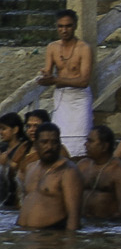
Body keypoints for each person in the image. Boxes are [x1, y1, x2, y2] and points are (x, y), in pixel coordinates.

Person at [35, 9, 93, 157]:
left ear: (75, 26)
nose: (64, 30)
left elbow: (84, 81)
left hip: (79, 98)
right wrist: (45, 77)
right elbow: (48, 72)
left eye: (68, 26)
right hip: (62, 98)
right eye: (60, 26)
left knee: (81, 139)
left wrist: (55, 80)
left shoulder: (84, 49)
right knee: (59, 138)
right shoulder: (52, 47)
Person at [17, 122, 82, 231]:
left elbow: (74, 216)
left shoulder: (68, 171)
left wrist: (70, 243)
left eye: (54, 142)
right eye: (44, 142)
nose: (50, 147)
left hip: (52, 235)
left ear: (59, 144)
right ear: (36, 144)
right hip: (26, 235)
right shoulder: (30, 167)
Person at [77, 126, 121, 223]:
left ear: (104, 146)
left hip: (107, 225)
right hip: (83, 222)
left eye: (90, 141)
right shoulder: (82, 166)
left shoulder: (119, 170)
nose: (86, 145)